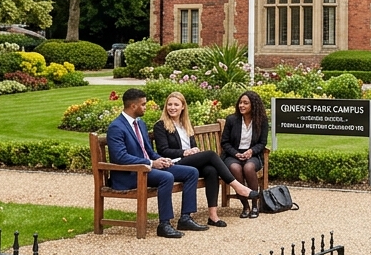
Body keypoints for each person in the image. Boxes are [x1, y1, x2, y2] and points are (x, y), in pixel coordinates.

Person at [105, 87, 204, 238]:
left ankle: (185, 218)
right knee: (166, 177)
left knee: (191, 172)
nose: (146, 107)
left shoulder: (140, 124)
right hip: (130, 173)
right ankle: (164, 225)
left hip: (147, 169)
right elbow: (120, 157)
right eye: (143, 104)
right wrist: (151, 163)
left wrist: (159, 159)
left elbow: (148, 150)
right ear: (133, 106)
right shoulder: (116, 127)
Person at [152, 91, 260, 225]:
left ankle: (213, 216)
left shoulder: (186, 124)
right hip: (174, 163)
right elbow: (163, 150)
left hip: (188, 163)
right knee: (210, 154)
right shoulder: (161, 125)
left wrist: (194, 150)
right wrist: (185, 152)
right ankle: (238, 186)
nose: (172, 108)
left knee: (211, 170)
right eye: (169, 105)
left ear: (183, 107)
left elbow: (192, 146)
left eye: (176, 105)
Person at [221, 91, 267, 218]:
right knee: (235, 168)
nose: (242, 105)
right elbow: (224, 142)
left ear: (253, 105)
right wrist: (236, 153)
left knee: (248, 167)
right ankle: (245, 205)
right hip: (232, 155)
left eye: (246, 103)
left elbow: (262, 143)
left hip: (253, 155)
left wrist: (251, 151)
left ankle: (255, 205)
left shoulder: (261, 120)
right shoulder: (232, 120)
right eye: (240, 103)